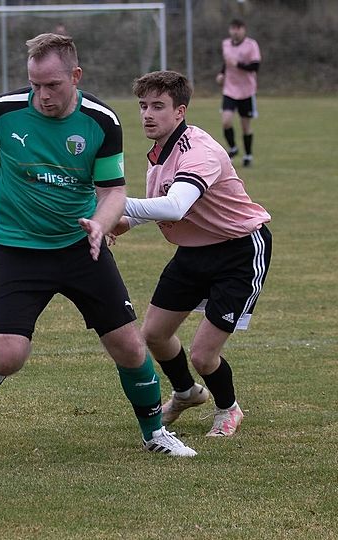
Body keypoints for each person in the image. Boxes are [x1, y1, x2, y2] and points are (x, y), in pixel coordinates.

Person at [0, 33, 196, 457]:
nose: (42, 95)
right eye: (35, 85)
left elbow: (113, 192)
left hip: (79, 246)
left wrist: (100, 227)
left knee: (129, 345)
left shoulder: (101, 121)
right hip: (18, 248)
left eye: (53, 85)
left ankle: (154, 433)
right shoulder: (4, 112)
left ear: (76, 76)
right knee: (9, 354)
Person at [111, 70, 272, 437]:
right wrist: (127, 221)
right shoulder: (160, 150)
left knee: (203, 353)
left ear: (180, 111)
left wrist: (113, 204)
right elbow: (166, 201)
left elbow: (176, 205)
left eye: (158, 106)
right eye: (143, 106)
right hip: (193, 252)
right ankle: (185, 393)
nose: (147, 114)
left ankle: (228, 408)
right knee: (153, 333)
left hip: (239, 251)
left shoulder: (199, 152)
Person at [215, 19, 260, 168]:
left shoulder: (251, 45)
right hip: (230, 89)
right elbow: (227, 62)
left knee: (245, 126)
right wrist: (222, 73)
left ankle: (248, 155)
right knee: (226, 121)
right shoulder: (226, 44)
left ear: (244, 30)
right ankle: (233, 147)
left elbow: (255, 66)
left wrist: (238, 64)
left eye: (238, 28)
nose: (235, 31)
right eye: (233, 28)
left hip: (246, 91)